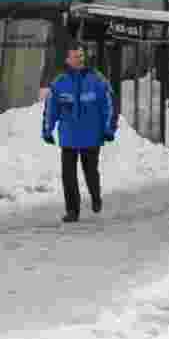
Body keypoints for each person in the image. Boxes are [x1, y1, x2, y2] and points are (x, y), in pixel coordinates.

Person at [42, 42, 116, 223]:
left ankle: (95, 196)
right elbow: (51, 109)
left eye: (82, 56)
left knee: (90, 171)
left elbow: (109, 105)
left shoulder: (97, 80)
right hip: (69, 137)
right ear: (68, 59)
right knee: (68, 175)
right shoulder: (60, 83)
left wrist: (108, 128)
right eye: (76, 56)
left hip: (91, 136)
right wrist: (47, 130)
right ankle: (72, 211)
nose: (80, 59)